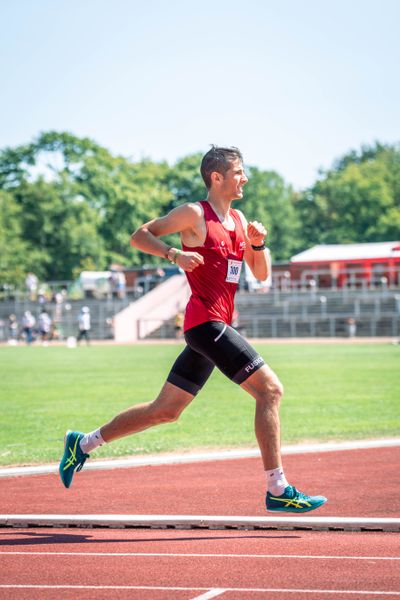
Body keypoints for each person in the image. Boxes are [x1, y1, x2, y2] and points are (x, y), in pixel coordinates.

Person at [59, 146, 327, 513]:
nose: (244, 178)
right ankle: (277, 487)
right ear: (217, 178)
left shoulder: (239, 219)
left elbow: (261, 273)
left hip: (212, 328)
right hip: (206, 324)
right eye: (238, 172)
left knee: (165, 410)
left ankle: (83, 443)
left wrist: (258, 243)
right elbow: (140, 236)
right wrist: (174, 255)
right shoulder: (194, 214)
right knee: (270, 391)